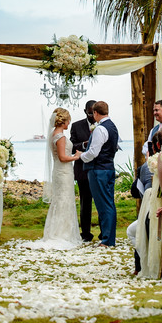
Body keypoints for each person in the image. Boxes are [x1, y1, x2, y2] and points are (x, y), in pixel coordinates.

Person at [35, 107, 82, 249]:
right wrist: (76, 157)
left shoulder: (53, 134)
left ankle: (60, 231)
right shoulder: (60, 137)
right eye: (68, 120)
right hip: (63, 172)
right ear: (63, 121)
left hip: (60, 172)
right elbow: (62, 157)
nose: (69, 123)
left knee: (61, 200)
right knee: (63, 201)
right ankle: (62, 233)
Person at [80, 100, 118, 247]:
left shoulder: (100, 129)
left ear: (95, 113)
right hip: (108, 168)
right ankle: (109, 238)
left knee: (103, 206)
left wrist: (80, 156)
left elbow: (93, 153)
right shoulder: (112, 127)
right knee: (109, 204)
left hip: (98, 170)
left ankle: (108, 240)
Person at [70, 99, 96, 242]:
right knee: (85, 203)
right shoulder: (76, 126)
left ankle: (104, 233)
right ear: (85, 111)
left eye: (94, 112)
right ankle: (85, 233)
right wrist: (84, 144)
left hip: (98, 169)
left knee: (100, 202)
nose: (92, 116)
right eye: (90, 112)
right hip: (82, 171)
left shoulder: (102, 125)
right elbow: (72, 146)